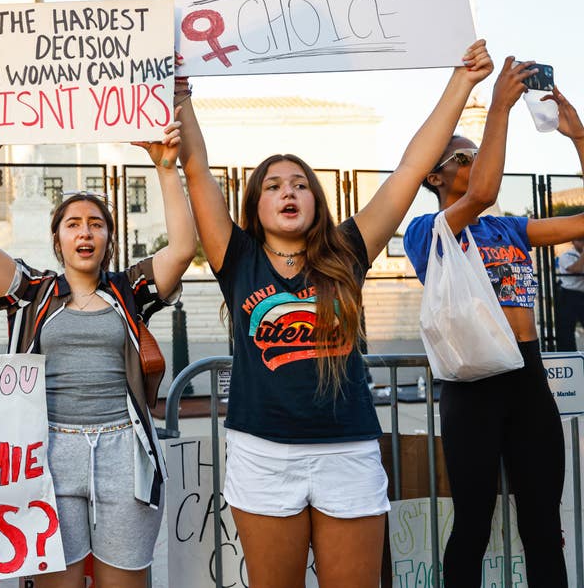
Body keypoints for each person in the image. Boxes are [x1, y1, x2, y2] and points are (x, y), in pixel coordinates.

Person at [175, 39, 493, 587]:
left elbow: (413, 166)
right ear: (255, 205)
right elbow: (198, 167)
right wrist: (182, 100)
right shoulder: (238, 258)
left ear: (319, 201)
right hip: (263, 453)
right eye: (273, 185)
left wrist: (462, 83)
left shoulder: (347, 250)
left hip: (348, 451)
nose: (289, 191)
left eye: (301, 184)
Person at [0, 117, 195, 587]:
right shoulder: (34, 292)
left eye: (96, 224)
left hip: (124, 451)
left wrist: (168, 169)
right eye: (73, 224)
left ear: (108, 237)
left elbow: (184, 248)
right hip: (49, 451)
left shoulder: (130, 289)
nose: (85, 233)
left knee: (125, 580)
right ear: (58, 239)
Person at [403, 61, 584, 587]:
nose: (477, 161)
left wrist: (577, 137)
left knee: (544, 529)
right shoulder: (426, 232)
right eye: (463, 156)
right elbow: (479, 192)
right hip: (472, 384)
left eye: (477, 154)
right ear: (433, 176)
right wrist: (498, 106)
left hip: (527, 377)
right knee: (473, 526)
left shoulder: (509, 227)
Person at [555, 237, 584, 352]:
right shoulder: (566, 256)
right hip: (569, 295)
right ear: (573, 242)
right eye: (580, 240)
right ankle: (570, 357)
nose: (582, 243)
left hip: (582, 294)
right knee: (566, 329)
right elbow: (575, 269)